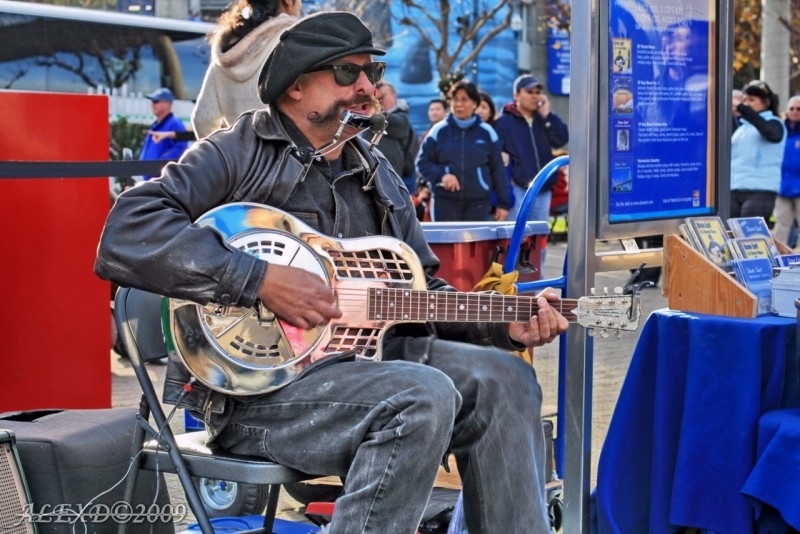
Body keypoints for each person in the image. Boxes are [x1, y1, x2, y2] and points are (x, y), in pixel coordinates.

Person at [94, 12, 568, 534]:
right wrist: (258, 279)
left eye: (373, 72)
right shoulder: (239, 151)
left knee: (508, 378)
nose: (367, 87)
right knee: (420, 394)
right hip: (256, 396)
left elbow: (419, 295)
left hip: (375, 367)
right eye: (347, 73)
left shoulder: (380, 175)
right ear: (296, 86)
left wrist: (500, 324)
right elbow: (127, 231)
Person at [190, 0, 301, 138]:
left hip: (240, 155)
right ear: (288, 1)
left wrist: (225, 156)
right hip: (286, 155)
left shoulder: (226, 48)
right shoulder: (292, 39)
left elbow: (203, 119)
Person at [416, 80, 511, 222]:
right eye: (455, 99)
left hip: (478, 203)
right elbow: (422, 163)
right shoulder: (438, 130)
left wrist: (503, 204)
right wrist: (442, 176)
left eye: (464, 99)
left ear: (475, 104)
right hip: (444, 201)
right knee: (446, 243)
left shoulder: (487, 132)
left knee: (476, 243)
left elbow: (498, 170)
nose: (459, 104)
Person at [493, 75, 569, 224]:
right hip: (518, 189)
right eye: (529, 92)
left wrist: (547, 115)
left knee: (539, 240)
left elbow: (561, 139)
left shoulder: (543, 119)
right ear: (516, 95)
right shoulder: (503, 122)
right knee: (515, 238)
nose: (535, 96)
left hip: (543, 189)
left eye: (537, 92)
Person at [730, 80, 787, 219]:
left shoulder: (775, 123)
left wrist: (743, 108)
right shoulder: (743, 128)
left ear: (766, 102)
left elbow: (771, 133)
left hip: (761, 190)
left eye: (751, 100)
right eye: (744, 100)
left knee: (749, 237)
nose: (746, 103)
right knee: (728, 234)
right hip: (734, 188)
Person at [372, 81, 419, 191]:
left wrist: (371, 110)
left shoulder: (401, 118)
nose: (379, 101)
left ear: (394, 95)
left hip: (397, 182)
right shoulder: (367, 118)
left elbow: (396, 125)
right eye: (376, 98)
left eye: (382, 97)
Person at [139, 87, 189, 180]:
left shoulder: (175, 123)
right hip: (151, 180)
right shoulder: (156, 125)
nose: (153, 104)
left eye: (156, 101)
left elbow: (181, 148)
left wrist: (158, 166)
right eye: (152, 101)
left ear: (167, 103)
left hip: (162, 181)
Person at [772, 95, 800, 247]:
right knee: (781, 226)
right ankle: (780, 260)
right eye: (792, 108)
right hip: (782, 186)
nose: (795, 112)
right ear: (787, 111)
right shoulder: (780, 132)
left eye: (798, 109)